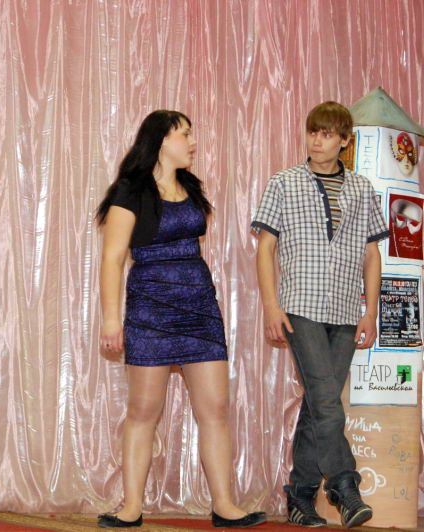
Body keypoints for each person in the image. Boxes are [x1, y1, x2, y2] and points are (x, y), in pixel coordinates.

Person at [96, 111, 265, 529]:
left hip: (199, 307)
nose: (192, 142)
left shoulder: (190, 187)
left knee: (216, 409)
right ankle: (131, 507)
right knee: (143, 410)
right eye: (184, 134)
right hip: (150, 310)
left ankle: (224, 505)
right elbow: (112, 259)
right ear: (161, 141)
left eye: (191, 134)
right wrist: (112, 321)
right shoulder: (130, 191)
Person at [252, 101, 387, 528]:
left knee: (318, 403)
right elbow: (265, 248)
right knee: (327, 401)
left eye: (327, 134)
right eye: (313, 131)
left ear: (344, 141)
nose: (317, 140)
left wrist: (371, 312)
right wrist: (271, 305)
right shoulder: (284, 182)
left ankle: (300, 496)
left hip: (346, 310)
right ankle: (345, 487)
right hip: (300, 308)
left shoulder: (362, 188)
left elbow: (371, 253)